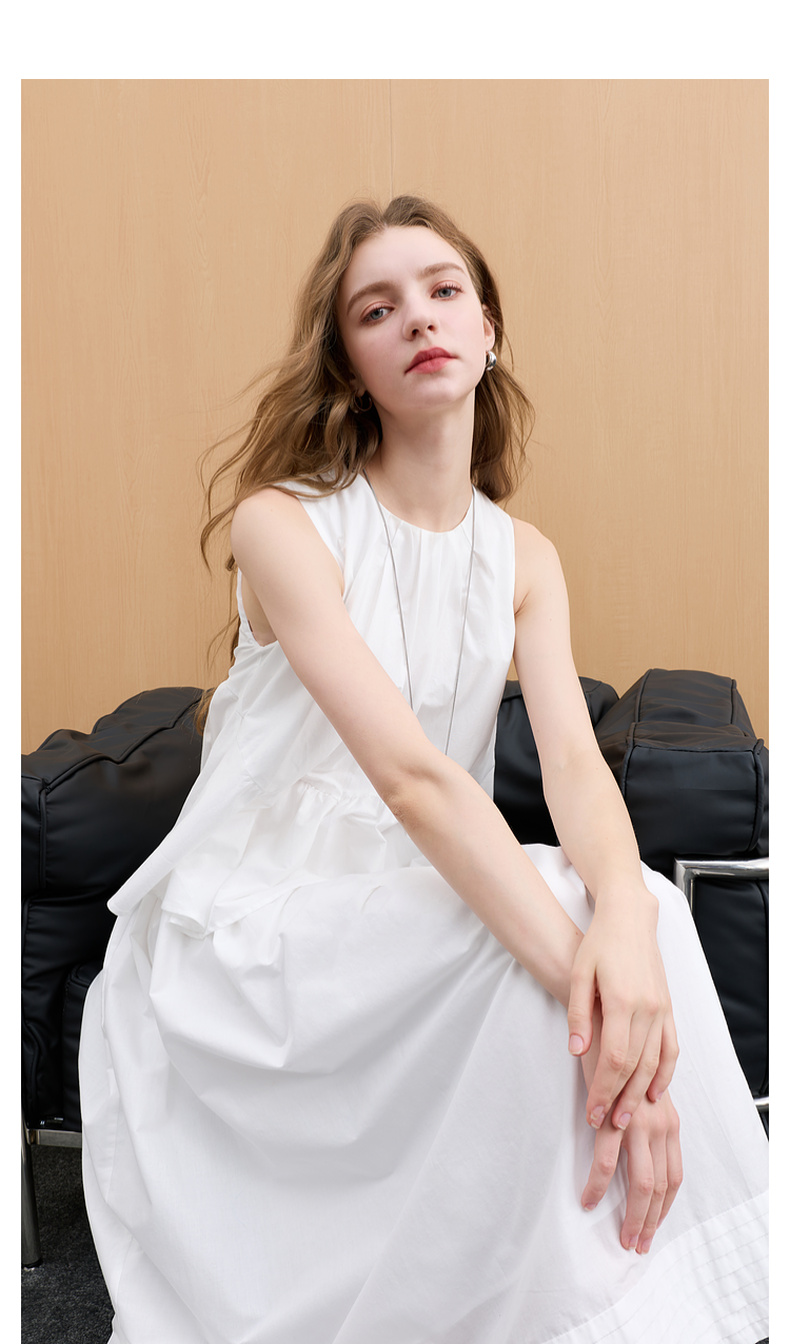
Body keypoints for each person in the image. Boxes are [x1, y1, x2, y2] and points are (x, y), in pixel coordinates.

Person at [79, 196, 768, 1343]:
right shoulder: (281, 524)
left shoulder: (524, 556)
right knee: (553, 929)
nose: (418, 318)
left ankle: (638, 1305)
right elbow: (412, 779)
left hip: (411, 899)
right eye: (377, 309)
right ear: (348, 366)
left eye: (445, 291)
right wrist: (616, 1031)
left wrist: (625, 926)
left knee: (635, 902)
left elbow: (574, 769)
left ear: (489, 327)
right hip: (253, 925)